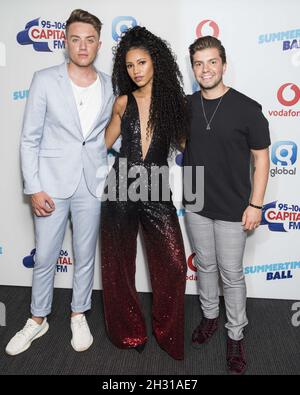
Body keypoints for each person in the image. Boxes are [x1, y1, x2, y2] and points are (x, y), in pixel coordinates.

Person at [6, 9, 114, 355]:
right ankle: (37, 319)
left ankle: (78, 313)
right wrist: (33, 187)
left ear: (98, 44)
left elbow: (109, 137)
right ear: (65, 42)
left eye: (90, 39)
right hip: (50, 184)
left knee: (85, 254)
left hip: (91, 184)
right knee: (45, 256)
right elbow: (29, 139)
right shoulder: (44, 79)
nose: (83, 46)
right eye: (75, 39)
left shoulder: (111, 85)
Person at [183, 36, 270, 374]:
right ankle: (209, 318)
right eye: (199, 63)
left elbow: (261, 160)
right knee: (205, 266)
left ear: (223, 64)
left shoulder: (248, 108)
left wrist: (256, 204)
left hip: (235, 205)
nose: (206, 69)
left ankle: (235, 334)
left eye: (212, 61)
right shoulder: (187, 105)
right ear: (193, 68)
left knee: (231, 274)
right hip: (194, 200)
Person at [101, 26, 188, 360]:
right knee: (118, 264)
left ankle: (167, 333)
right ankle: (129, 333)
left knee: (175, 263)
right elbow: (103, 145)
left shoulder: (175, 104)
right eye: (129, 65)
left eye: (141, 62)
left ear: (156, 63)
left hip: (155, 188)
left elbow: (190, 145)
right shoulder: (123, 101)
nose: (135, 70)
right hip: (120, 185)